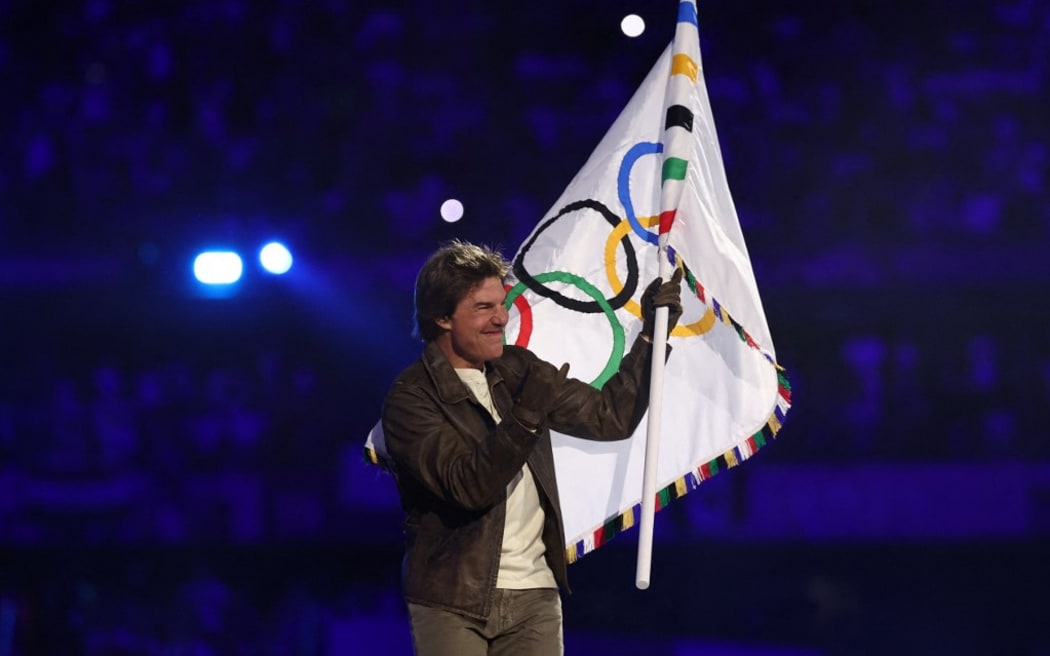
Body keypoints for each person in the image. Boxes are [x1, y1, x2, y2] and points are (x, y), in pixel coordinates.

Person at [381, 239, 683, 655]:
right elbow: (468, 485)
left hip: (536, 595)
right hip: (452, 599)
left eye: (500, 304)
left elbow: (611, 416)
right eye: (483, 308)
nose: (501, 318)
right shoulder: (410, 397)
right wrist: (525, 417)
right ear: (442, 317)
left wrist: (652, 334)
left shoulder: (519, 368)